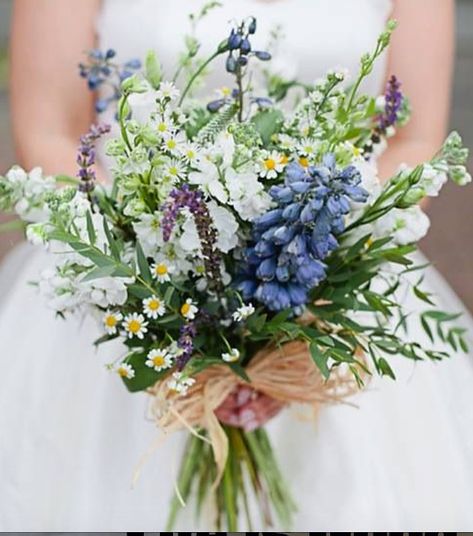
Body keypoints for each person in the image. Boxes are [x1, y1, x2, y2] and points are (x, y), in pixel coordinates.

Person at [1, 0, 473, 531]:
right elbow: (51, 134)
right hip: (124, 292)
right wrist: (165, 285)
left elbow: (413, 140)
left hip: (329, 278)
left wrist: (297, 296)